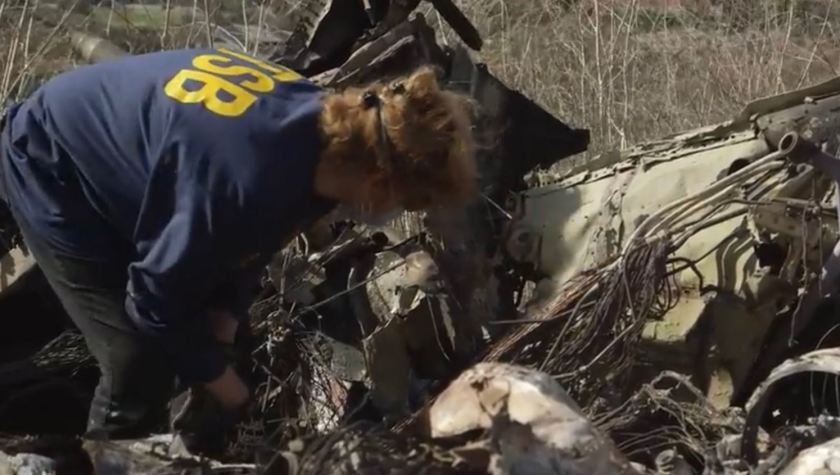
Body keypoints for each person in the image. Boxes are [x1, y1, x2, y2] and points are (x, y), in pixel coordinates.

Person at [0, 47, 476, 453]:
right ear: (379, 180)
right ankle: (111, 457)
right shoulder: (248, 176)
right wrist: (225, 388)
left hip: (128, 171)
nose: (397, 213)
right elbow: (153, 303)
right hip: (52, 158)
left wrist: (225, 333)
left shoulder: (324, 140)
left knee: (214, 344)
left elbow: (249, 247)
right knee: (135, 356)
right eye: (406, 201)